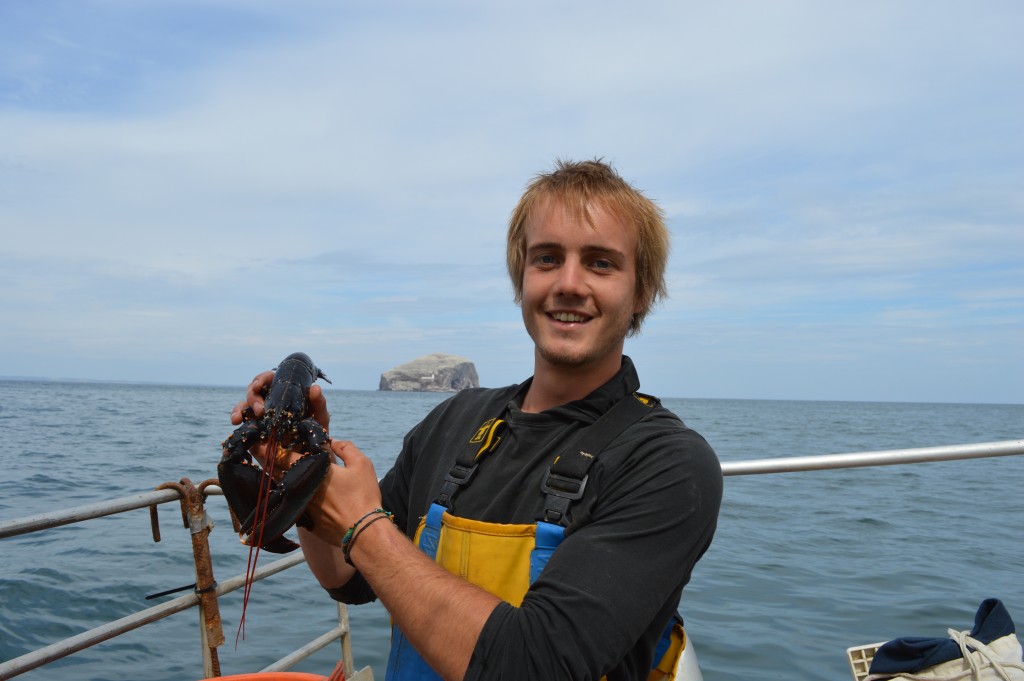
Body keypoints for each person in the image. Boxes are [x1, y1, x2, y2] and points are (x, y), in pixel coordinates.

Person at [231, 159, 723, 681]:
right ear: (522, 278)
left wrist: (363, 528)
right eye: (547, 259)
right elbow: (348, 577)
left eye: (601, 263)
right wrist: (306, 469)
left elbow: (535, 666)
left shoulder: (669, 465)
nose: (570, 284)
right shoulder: (454, 422)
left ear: (641, 291)